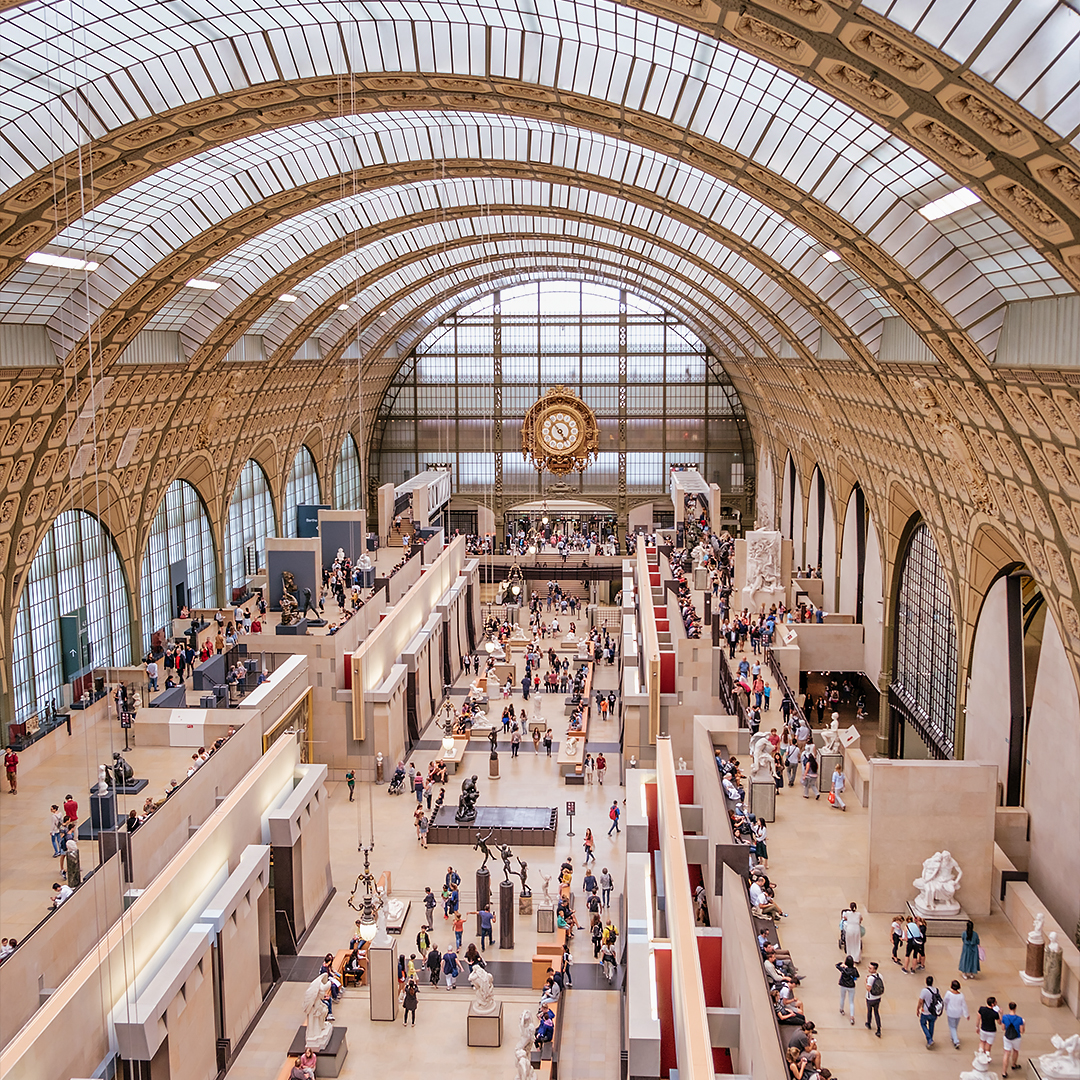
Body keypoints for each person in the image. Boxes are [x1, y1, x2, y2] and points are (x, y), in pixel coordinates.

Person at [917, 974, 942, 1048]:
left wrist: (918, 1009)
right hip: (934, 1012)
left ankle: (929, 1039)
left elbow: (920, 1001)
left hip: (926, 1011)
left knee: (923, 1024)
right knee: (931, 1025)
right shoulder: (936, 990)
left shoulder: (924, 991)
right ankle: (930, 1039)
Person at [944, 979, 970, 1049]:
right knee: (955, 1026)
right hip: (958, 1013)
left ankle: (956, 1040)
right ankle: (953, 1037)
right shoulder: (961, 995)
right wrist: (966, 1014)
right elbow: (964, 1005)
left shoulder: (948, 994)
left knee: (952, 1026)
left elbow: (945, 1001)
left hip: (951, 1012)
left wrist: (945, 1008)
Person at [1001, 1001, 1024, 1076]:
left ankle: (1004, 1072)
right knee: (1015, 1051)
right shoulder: (1020, 1019)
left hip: (1007, 1037)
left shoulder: (1005, 1017)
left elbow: (1003, 1028)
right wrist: (1024, 1025)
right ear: (1015, 1008)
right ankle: (1014, 1064)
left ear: (1009, 1008)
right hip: (1016, 1037)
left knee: (1006, 1053)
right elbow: (1022, 1031)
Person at [836, 954, 859, 1024]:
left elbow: (837, 965)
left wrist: (842, 964)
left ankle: (841, 1009)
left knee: (842, 998)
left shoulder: (843, 969)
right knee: (851, 1002)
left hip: (843, 985)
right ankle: (852, 1017)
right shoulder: (854, 970)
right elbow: (857, 976)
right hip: (851, 986)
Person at [864, 961, 884, 1036]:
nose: (869, 969)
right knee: (876, 1012)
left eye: (870, 968)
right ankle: (878, 1028)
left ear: (874, 969)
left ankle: (868, 1023)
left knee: (869, 1011)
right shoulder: (880, 976)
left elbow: (868, 988)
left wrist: (866, 982)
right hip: (878, 997)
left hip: (870, 998)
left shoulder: (870, 978)